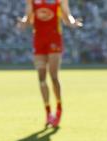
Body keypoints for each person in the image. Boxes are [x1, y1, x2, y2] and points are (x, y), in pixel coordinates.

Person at [18, 0, 82, 128]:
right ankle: (48, 112)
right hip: (39, 41)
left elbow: (66, 16)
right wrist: (24, 22)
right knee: (41, 77)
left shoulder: (59, 1)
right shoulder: (32, 1)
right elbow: (29, 17)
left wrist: (72, 21)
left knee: (53, 76)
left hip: (54, 39)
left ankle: (58, 108)